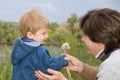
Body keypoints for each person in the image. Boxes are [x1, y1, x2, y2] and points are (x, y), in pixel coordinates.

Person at [35, 8, 120, 80]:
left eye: (85, 35)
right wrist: (81, 67)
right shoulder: (114, 61)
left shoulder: (112, 67)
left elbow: (107, 73)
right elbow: (101, 73)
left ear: (100, 37)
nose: (82, 39)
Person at [11, 10, 68, 80]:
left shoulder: (19, 50)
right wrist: (63, 60)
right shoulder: (39, 51)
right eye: (43, 33)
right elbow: (48, 67)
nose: (47, 36)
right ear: (30, 35)